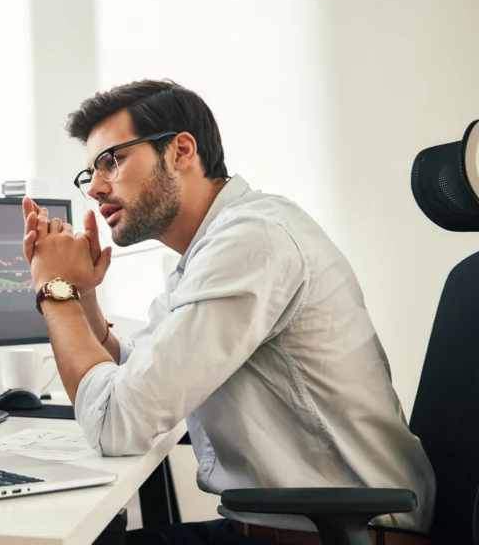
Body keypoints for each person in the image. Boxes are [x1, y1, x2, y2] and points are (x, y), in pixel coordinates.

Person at [22, 79, 435, 545]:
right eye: (90, 174)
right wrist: (82, 294)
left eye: (110, 162)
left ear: (180, 150)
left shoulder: (252, 241)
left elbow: (115, 423)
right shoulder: (216, 248)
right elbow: (136, 371)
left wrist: (52, 289)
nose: (96, 188)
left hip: (341, 534)